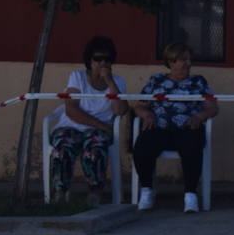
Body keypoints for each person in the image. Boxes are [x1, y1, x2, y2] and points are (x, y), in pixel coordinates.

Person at [132, 43, 218, 213]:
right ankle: (147, 190)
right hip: (160, 127)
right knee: (142, 147)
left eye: (188, 60)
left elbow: (212, 107)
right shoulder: (156, 80)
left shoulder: (198, 81)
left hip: (187, 127)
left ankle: (190, 194)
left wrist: (199, 117)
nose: (187, 64)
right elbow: (139, 106)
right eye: (182, 60)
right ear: (171, 62)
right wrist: (145, 114)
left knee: (192, 147)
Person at [48, 36, 130, 205]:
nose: (102, 63)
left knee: (95, 148)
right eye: (98, 59)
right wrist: (101, 125)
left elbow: (120, 110)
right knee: (63, 147)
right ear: (89, 60)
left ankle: (95, 191)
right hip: (73, 126)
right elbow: (71, 110)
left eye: (106, 59)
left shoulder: (118, 81)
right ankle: (59, 192)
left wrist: (109, 81)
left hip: (98, 132)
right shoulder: (77, 77)